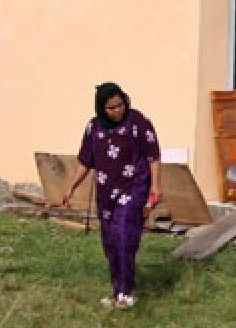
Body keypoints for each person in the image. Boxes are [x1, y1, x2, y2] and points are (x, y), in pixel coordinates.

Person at [61, 82, 163, 309]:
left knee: (124, 234)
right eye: (111, 108)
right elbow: (85, 162)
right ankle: (117, 290)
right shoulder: (93, 128)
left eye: (120, 105)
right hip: (106, 191)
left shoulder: (138, 122)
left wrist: (155, 185)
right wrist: (71, 187)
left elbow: (153, 156)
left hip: (133, 187)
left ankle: (127, 292)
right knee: (109, 242)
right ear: (101, 108)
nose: (118, 111)